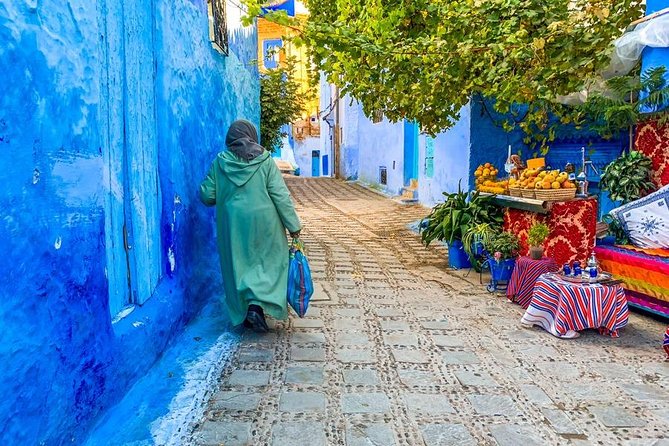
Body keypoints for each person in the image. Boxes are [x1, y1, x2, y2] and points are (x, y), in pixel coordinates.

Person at [199, 119, 302, 332]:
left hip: (234, 225)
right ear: (251, 135)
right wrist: (293, 226)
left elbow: (207, 195)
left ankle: (248, 309)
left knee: (240, 264)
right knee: (268, 262)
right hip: (266, 222)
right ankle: (257, 306)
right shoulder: (265, 160)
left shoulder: (220, 162)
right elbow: (279, 194)